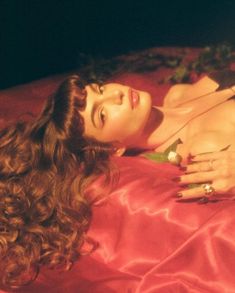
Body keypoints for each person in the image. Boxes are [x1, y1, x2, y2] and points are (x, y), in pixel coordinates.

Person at [1, 70, 235, 290]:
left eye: (100, 90)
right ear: (115, 150)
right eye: (101, 115)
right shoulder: (204, 147)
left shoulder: (179, 94)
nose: (116, 95)